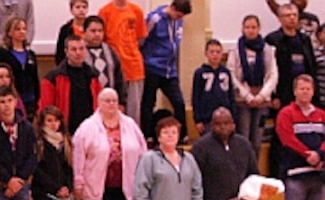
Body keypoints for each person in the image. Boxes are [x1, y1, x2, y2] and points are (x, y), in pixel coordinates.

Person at [72, 88, 147, 200]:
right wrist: (78, 180)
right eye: (107, 101)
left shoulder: (129, 124)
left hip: (123, 187)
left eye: (114, 100)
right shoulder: (87, 127)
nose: (111, 104)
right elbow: (78, 155)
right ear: (99, 103)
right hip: (95, 187)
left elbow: (143, 151)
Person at [275, 74, 325, 200]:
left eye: (308, 89)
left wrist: (319, 154)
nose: (305, 92)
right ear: (295, 91)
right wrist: (307, 155)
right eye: (301, 89)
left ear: (313, 91)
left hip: (318, 175)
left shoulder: (321, 114)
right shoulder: (286, 113)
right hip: (295, 175)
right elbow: (287, 138)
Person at [140, 0, 192, 141]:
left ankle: (181, 134)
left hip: (170, 70)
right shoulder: (154, 19)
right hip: (152, 67)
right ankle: (147, 135)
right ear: (172, 8)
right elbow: (142, 39)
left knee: (179, 102)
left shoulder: (179, 21)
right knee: (148, 102)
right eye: (179, 15)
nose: (180, 18)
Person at [229, 15, 277, 152]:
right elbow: (231, 75)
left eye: (254, 27)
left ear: (259, 29)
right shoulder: (236, 50)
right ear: (242, 29)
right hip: (242, 100)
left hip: (262, 100)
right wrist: (248, 96)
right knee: (243, 138)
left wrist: (261, 96)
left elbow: (273, 75)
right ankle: (243, 172)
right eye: (247, 27)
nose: (251, 30)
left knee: (257, 141)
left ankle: (255, 172)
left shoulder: (268, 50)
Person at [39, 35, 101, 135]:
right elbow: (46, 110)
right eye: (73, 49)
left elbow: (99, 105)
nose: (78, 53)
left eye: (81, 49)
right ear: (66, 51)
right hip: (64, 132)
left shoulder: (93, 76)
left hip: (90, 130)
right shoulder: (52, 78)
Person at [32, 105, 73, 200]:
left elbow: (68, 169)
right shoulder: (39, 143)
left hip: (62, 193)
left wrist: (67, 187)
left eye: (56, 120)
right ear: (42, 123)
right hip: (43, 192)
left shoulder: (65, 142)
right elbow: (37, 171)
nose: (53, 124)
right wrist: (55, 188)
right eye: (49, 120)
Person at [98, 0, 146, 123]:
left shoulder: (136, 11)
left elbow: (140, 38)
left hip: (134, 67)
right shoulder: (105, 12)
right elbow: (101, 39)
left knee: (133, 110)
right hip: (113, 68)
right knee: (112, 107)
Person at [266, 3, 317, 111]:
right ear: (280, 19)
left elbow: (312, 66)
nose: (292, 18)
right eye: (288, 15)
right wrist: (273, 95)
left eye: (294, 15)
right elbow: (267, 70)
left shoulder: (305, 39)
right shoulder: (272, 39)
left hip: (304, 90)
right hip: (283, 91)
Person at [0, 17, 39, 117]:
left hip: (30, 99)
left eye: (24, 29)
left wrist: (38, 98)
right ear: (9, 32)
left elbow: (35, 78)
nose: (22, 32)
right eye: (18, 29)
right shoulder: (1, 54)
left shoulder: (30, 54)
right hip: (10, 99)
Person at [192, 40, 236, 135]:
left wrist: (233, 116)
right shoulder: (200, 73)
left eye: (218, 52)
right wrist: (198, 119)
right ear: (206, 54)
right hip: (207, 118)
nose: (215, 55)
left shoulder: (226, 72)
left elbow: (231, 95)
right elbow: (196, 97)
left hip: (225, 117)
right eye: (212, 52)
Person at [82, 15, 127, 106]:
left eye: (100, 31)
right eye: (93, 31)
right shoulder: (79, 51)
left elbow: (119, 78)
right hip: (87, 102)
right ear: (84, 32)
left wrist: (121, 102)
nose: (97, 34)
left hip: (110, 102)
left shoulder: (111, 51)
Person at [57, 0, 90, 66]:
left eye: (84, 7)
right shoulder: (65, 29)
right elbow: (60, 51)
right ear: (71, 10)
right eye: (78, 7)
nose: (81, 10)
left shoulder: (91, 27)